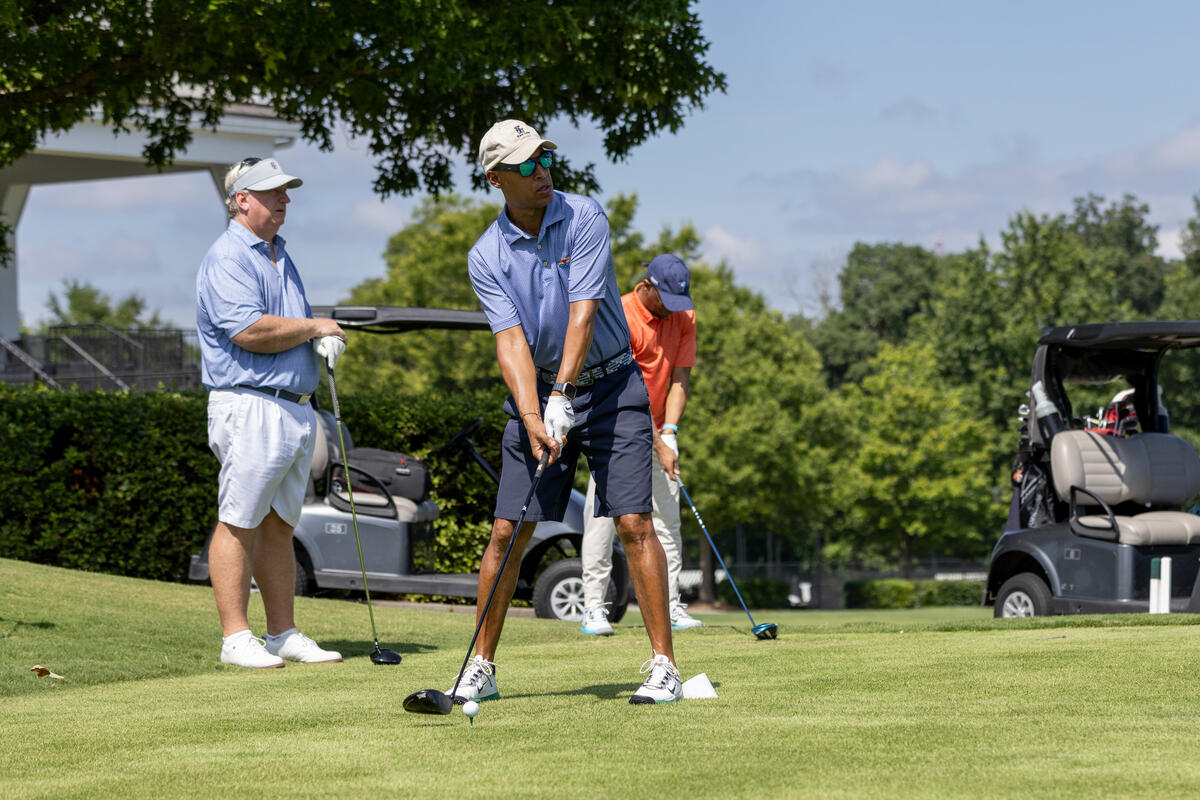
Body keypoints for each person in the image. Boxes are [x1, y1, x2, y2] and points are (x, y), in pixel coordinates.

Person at [455, 119, 682, 705]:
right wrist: (534, 415)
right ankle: (481, 665)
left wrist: (561, 394)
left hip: (611, 389)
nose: (543, 174)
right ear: (496, 178)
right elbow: (510, 342)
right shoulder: (485, 255)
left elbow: (582, 313)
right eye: (527, 166)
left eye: (545, 160)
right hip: (540, 398)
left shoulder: (584, 216)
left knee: (633, 521)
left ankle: (664, 667)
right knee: (508, 529)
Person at [196, 156, 348, 669]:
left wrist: (318, 338)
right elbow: (250, 332)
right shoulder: (228, 257)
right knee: (238, 520)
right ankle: (235, 637)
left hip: (292, 408)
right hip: (249, 403)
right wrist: (316, 326)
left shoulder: (280, 253)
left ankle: (281, 632)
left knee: (279, 523)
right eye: (273, 192)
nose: (285, 199)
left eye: (286, 191)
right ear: (242, 200)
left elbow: (285, 325)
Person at [579, 254, 700, 635]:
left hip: (659, 432)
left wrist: (670, 433)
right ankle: (594, 607)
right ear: (646, 285)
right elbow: (626, 390)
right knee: (603, 521)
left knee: (668, 522)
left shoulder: (683, 316)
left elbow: (680, 378)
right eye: (664, 298)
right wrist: (657, 441)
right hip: (614, 427)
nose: (671, 309)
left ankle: (671, 603)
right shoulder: (621, 315)